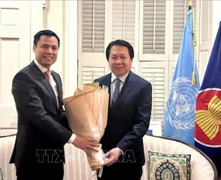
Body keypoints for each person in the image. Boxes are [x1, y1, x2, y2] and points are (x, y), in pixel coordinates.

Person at [10, 29, 99, 180]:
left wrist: (85, 129)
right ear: (34, 48)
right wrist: (74, 139)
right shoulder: (24, 77)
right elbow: (39, 116)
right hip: (32, 156)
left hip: (55, 153)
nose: (50, 51)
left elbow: (59, 113)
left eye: (54, 47)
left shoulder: (55, 77)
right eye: (44, 46)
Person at [94, 39, 152, 180]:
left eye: (123, 57)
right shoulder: (98, 83)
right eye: (114, 57)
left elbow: (141, 124)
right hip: (104, 156)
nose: (118, 61)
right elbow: (93, 118)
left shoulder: (143, 86)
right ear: (108, 60)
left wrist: (120, 148)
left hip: (129, 157)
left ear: (131, 60)